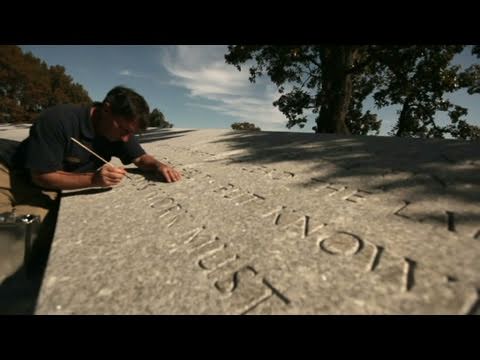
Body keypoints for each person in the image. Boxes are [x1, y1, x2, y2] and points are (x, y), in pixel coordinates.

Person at [0, 85, 182, 224]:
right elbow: (41, 176)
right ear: (106, 109)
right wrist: (93, 180)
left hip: (46, 189)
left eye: (131, 133)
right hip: (10, 173)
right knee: (10, 231)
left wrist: (159, 166)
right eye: (124, 130)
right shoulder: (58, 120)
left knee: (30, 226)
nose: (126, 139)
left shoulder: (119, 133)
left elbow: (141, 159)